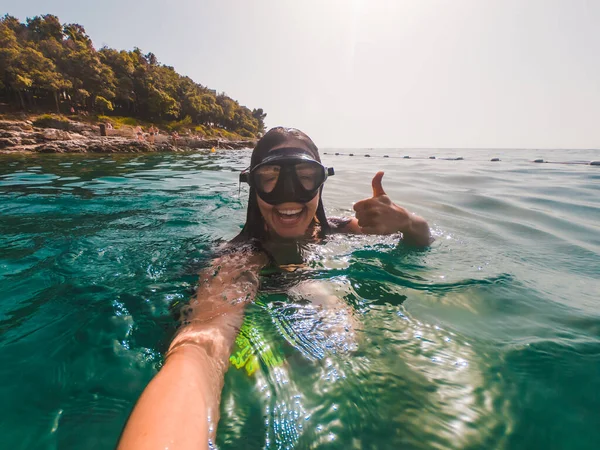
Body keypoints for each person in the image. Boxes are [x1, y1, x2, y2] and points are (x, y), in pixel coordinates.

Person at [118, 127, 431, 449]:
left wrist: (408, 223)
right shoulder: (236, 259)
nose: (288, 194)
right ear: (253, 185)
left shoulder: (341, 229)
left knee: (338, 323)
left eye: (305, 176)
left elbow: (422, 238)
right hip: (266, 315)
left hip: (321, 377)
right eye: (270, 176)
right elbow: (202, 345)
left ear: (321, 181)